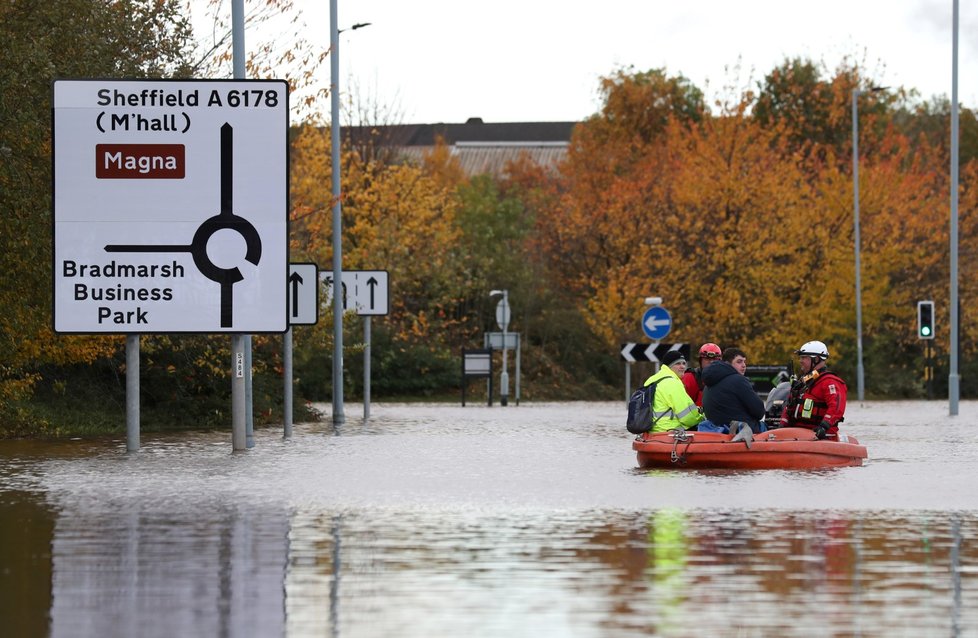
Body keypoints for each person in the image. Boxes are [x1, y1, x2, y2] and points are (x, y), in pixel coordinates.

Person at [779, 341, 847, 439]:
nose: (800, 361)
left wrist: (824, 426)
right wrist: (782, 425)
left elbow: (836, 408)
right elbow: (789, 405)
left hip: (819, 436)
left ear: (816, 359)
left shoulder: (830, 382)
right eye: (800, 358)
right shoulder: (802, 382)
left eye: (804, 357)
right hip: (795, 434)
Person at [700, 347, 766, 433]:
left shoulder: (708, 383)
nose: (744, 365)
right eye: (739, 362)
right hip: (741, 432)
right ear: (728, 363)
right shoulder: (738, 380)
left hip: (716, 433)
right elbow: (759, 411)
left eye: (744, 361)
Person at [643, 350, 704, 433]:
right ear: (669, 366)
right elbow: (687, 417)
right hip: (669, 430)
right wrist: (702, 418)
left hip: (651, 430)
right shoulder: (672, 382)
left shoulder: (652, 379)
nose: (682, 367)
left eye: (684, 363)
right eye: (678, 364)